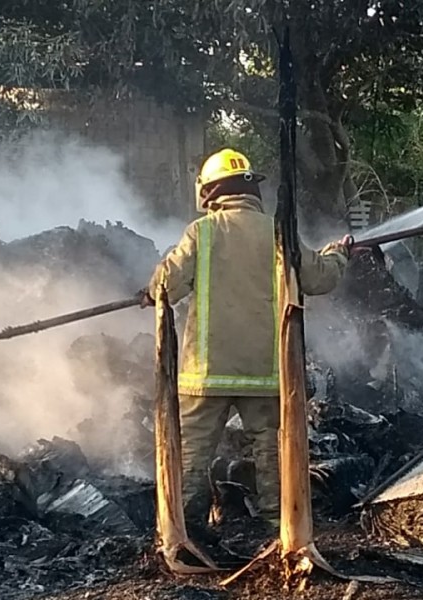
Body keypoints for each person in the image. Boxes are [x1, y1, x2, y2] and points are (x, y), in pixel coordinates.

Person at [143, 148, 351, 530]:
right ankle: (278, 524)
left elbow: (164, 287)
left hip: (206, 373)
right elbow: (318, 277)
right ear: (250, 189)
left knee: (191, 453)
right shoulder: (277, 231)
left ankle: (183, 530)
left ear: (209, 192)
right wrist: (338, 254)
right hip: (264, 371)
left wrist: (148, 288)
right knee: (272, 450)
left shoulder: (201, 233)